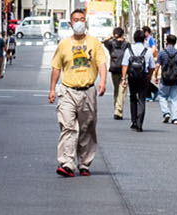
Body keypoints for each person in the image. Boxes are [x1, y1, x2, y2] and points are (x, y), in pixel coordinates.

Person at [48, 10, 109, 176]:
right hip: (68, 90)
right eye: (76, 20)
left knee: (87, 128)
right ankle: (67, 163)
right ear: (70, 23)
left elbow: (101, 63)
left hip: (88, 90)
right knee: (68, 126)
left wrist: (103, 81)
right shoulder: (64, 44)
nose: (79, 22)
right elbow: (56, 67)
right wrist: (52, 88)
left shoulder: (94, 43)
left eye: (82, 19)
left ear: (86, 22)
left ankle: (84, 163)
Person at [124, 27, 157, 131]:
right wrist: (149, 77)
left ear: (134, 38)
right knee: (142, 99)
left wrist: (123, 78)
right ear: (144, 39)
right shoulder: (147, 51)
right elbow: (152, 66)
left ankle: (133, 121)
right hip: (143, 77)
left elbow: (124, 65)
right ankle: (139, 123)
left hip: (132, 77)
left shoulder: (129, 50)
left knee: (132, 97)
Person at [104, 24, 132, 119]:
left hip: (114, 68)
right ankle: (118, 110)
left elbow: (104, 41)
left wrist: (111, 37)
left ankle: (116, 108)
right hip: (124, 69)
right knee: (122, 90)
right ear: (123, 34)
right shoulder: (127, 44)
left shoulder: (111, 44)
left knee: (117, 90)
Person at [156, 32, 177, 125]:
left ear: (166, 42)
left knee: (162, 96)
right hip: (176, 80)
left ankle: (166, 112)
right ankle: (175, 118)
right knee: (175, 99)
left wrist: (155, 76)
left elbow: (157, 66)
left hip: (165, 79)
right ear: (175, 42)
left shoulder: (162, 53)